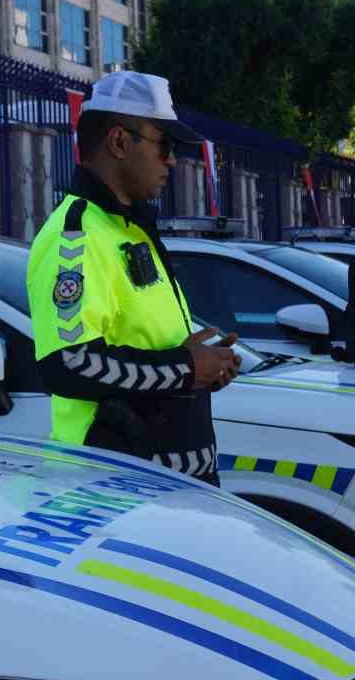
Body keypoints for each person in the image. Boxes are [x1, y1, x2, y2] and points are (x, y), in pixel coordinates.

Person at [26, 71, 239, 483]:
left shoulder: (129, 226)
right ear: (120, 142)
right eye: (164, 145)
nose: (172, 160)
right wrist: (185, 369)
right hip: (111, 489)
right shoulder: (76, 235)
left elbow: (142, 344)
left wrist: (204, 363)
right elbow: (67, 363)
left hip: (166, 488)